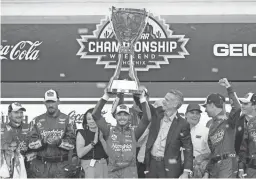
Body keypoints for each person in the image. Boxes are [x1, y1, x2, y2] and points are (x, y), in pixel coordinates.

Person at [92, 88, 151, 178]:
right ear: (115, 116)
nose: (122, 117)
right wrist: (106, 96)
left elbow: (147, 118)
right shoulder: (108, 130)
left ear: (129, 117)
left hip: (130, 172)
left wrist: (142, 98)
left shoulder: (134, 132)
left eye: (125, 114)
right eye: (119, 114)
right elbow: (95, 115)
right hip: (113, 173)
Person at [145, 89, 193, 178]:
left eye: (167, 100)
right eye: (164, 98)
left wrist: (186, 172)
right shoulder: (157, 115)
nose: (163, 101)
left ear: (175, 104)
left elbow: (188, 149)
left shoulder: (183, 124)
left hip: (169, 167)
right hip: (152, 164)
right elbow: (144, 107)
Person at [27, 89, 76, 178]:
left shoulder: (68, 120)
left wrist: (58, 142)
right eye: (48, 102)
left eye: (53, 102)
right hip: (41, 166)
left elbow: (72, 144)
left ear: (58, 101)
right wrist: (43, 142)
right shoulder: (36, 120)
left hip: (62, 166)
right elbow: (30, 144)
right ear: (44, 103)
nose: (50, 105)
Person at [202, 78, 241, 178]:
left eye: (205, 106)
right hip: (215, 166)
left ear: (212, 105)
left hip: (227, 163)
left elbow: (237, 108)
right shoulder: (211, 125)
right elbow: (213, 152)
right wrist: (207, 172)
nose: (205, 110)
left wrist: (229, 88)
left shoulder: (228, 119)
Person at [0, 102, 36, 172]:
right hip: (7, 170)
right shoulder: (2, 129)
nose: (19, 115)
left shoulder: (29, 128)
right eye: (16, 112)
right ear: (9, 114)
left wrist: (25, 157)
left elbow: (36, 151)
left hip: (26, 169)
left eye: (21, 112)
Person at [76, 108, 108, 178]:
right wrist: (93, 142)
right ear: (86, 121)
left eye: (94, 118)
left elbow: (110, 154)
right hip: (89, 167)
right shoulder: (82, 133)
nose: (92, 121)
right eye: (89, 119)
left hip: (103, 166)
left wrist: (101, 139)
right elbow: (80, 154)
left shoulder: (105, 133)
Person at [185, 104, 210, 178]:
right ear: (186, 115)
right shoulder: (178, 130)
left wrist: (206, 174)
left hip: (198, 170)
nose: (195, 116)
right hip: (180, 169)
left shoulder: (206, 131)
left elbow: (212, 154)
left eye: (197, 113)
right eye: (192, 113)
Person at [238, 92, 256, 178]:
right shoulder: (239, 121)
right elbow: (243, 148)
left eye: (246, 103)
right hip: (250, 168)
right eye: (242, 103)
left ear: (254, 106)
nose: (242, 106)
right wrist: (241, 168)